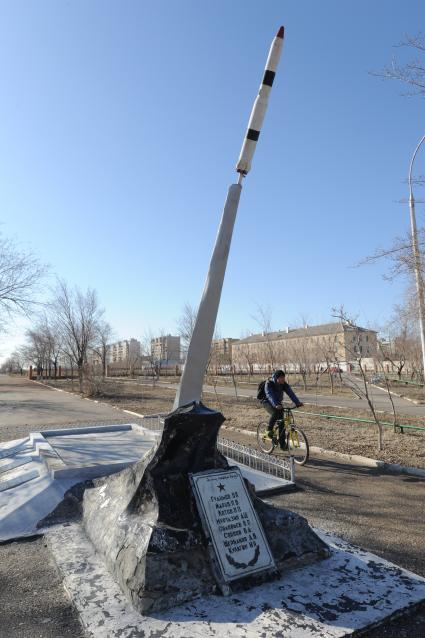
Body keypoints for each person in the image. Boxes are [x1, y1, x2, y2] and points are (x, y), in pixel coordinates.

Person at [260, 370, 303, 445]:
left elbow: (291, 393)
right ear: (276, 378)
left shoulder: (284, 384)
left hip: (277, 403)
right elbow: (269, 395)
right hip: (266, 401)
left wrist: (297, 402)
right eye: (281, 378)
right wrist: (276, 404)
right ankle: (268, 430)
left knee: (282, 423)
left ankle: (282, 444)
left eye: (284, 377)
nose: (283, 379)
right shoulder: (269, 383)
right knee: (275, 413)